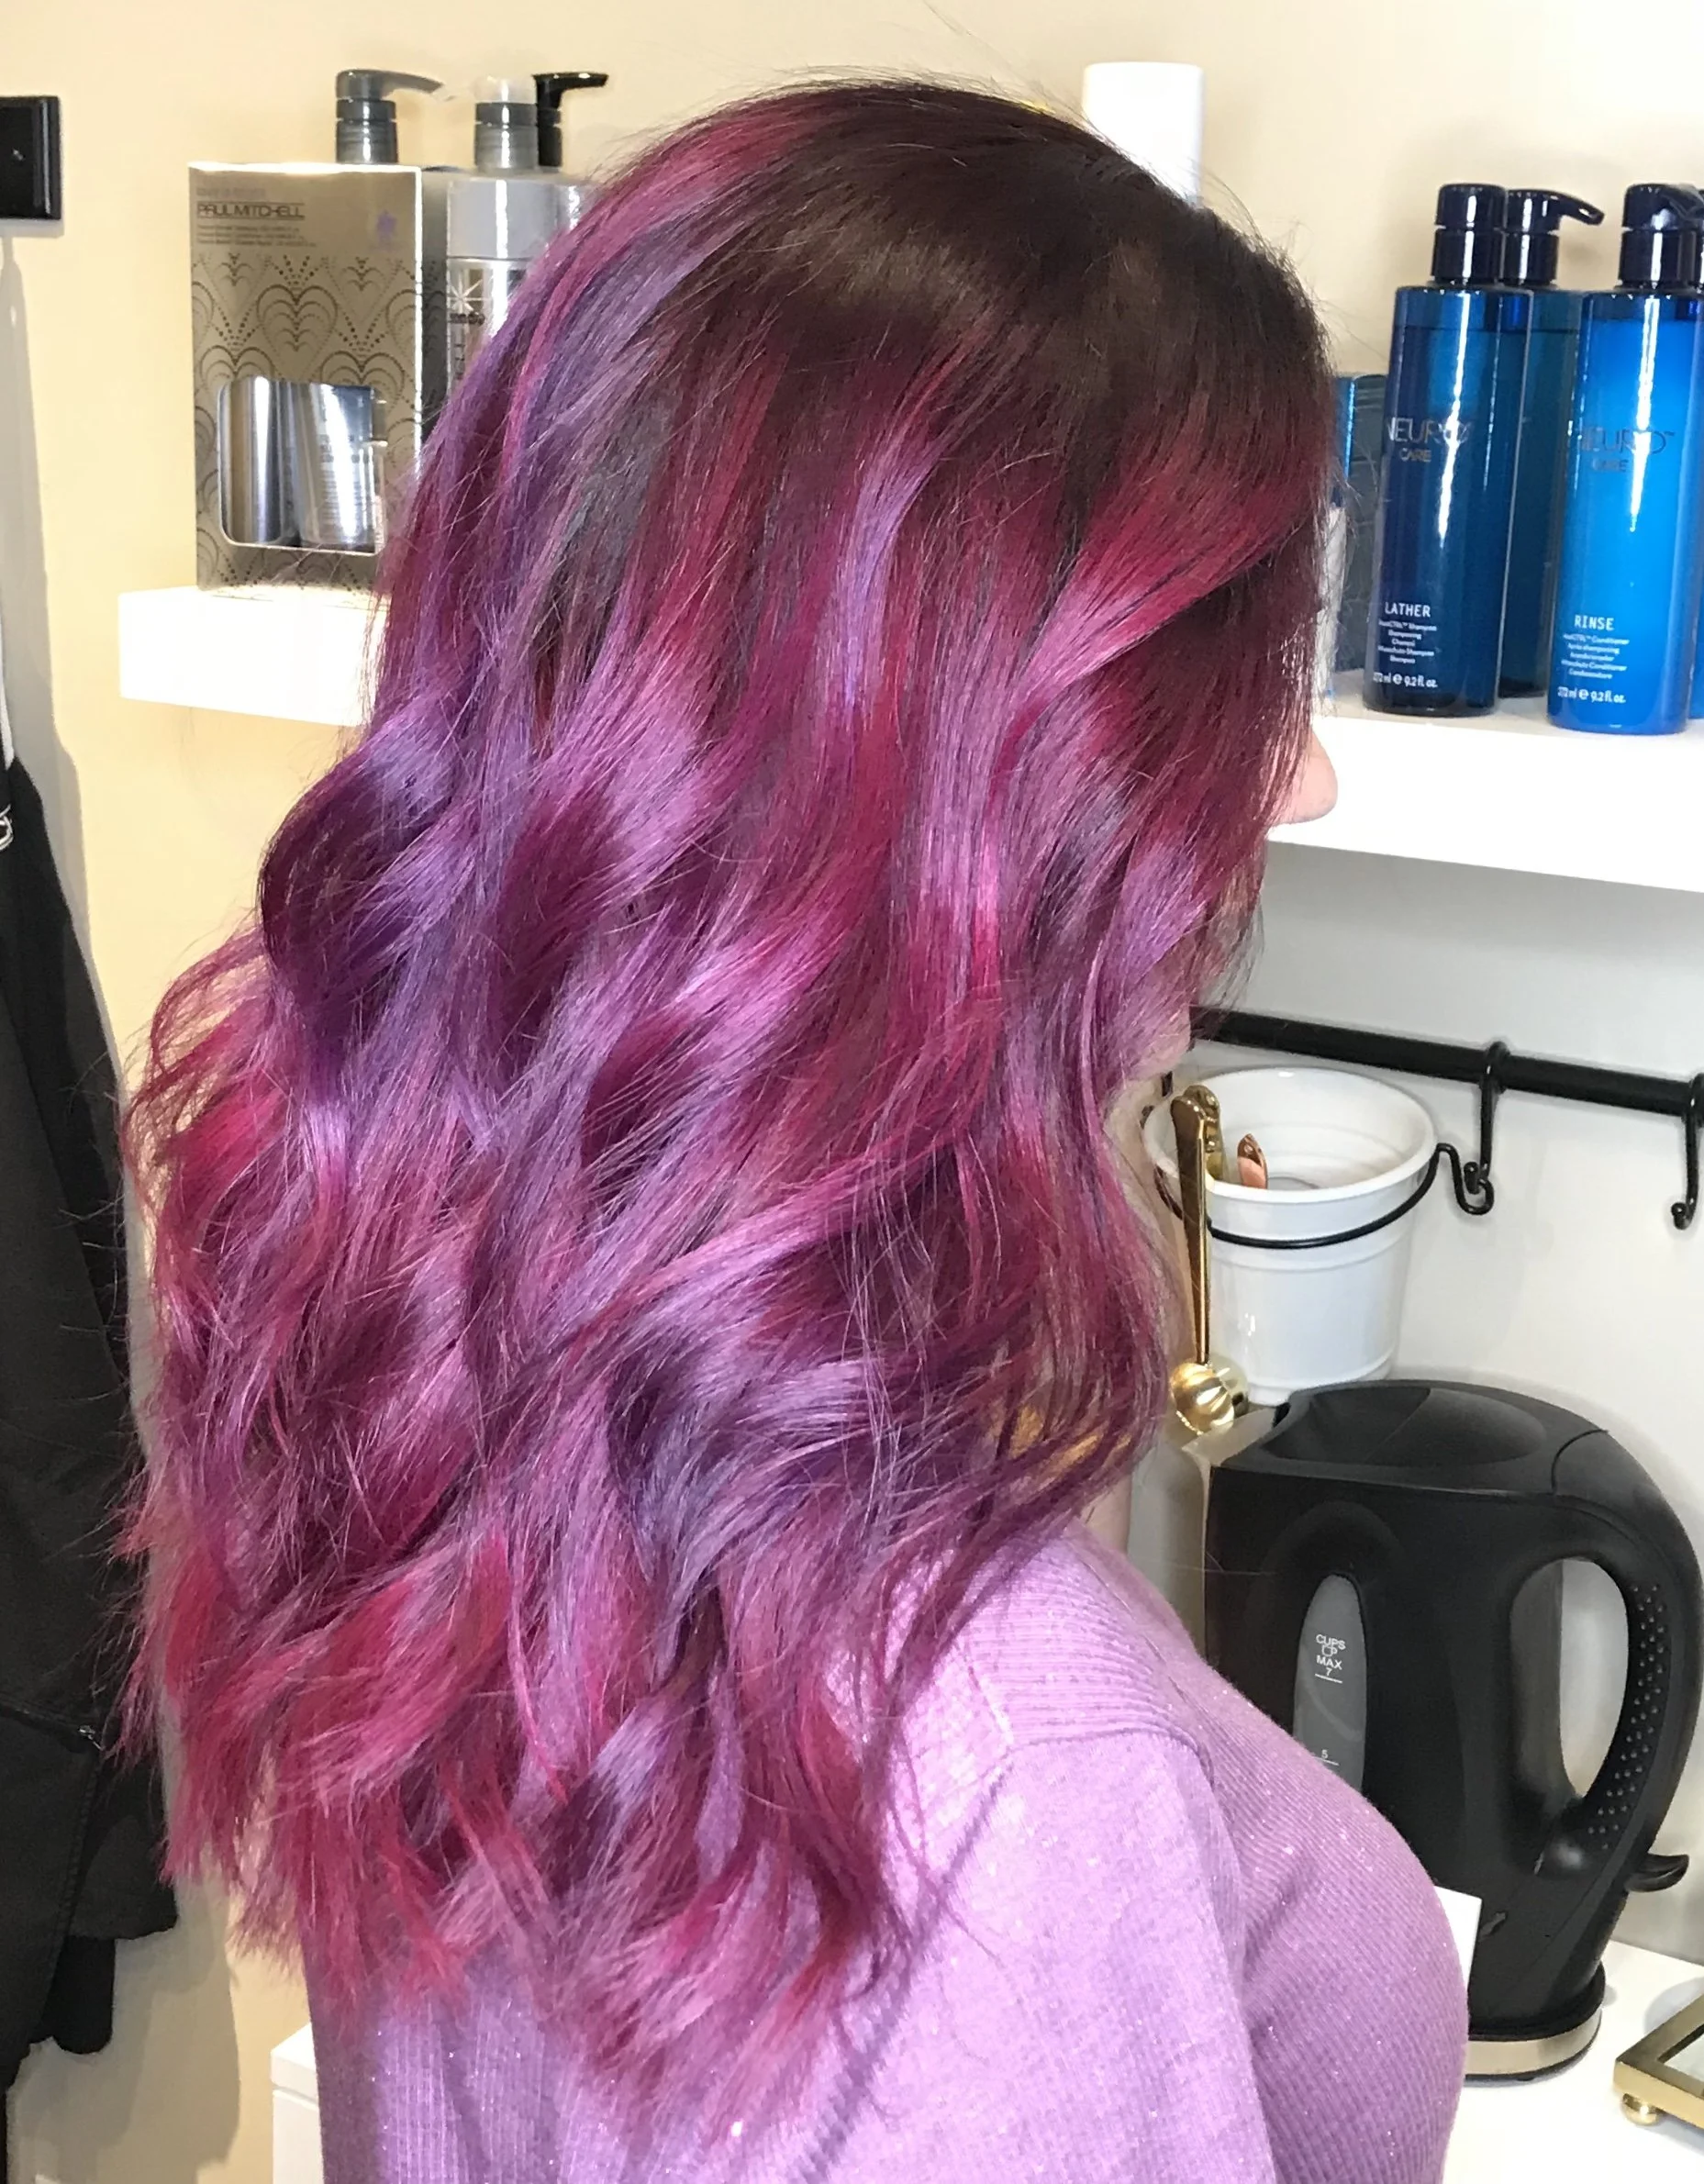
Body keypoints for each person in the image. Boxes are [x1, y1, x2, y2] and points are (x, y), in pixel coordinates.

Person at [128, 82, 1465, 2183]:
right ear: (972, 798)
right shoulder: (988, 1774)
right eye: (1225, 692)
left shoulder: (470, 1385)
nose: (1287, 784)